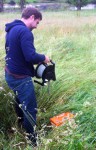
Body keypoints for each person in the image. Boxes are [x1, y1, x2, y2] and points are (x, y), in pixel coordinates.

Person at [4, 7, 50, 147]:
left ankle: (21, 126)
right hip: (20, 77)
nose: (36, 26)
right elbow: (30, 56)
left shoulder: (12, 29)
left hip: (9, 74)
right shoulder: (24, 32)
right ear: (31, 17)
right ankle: (33, 142)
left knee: (19, 102)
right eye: (37, 22)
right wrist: (44, 58)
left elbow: (10, 51)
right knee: (30, 109)